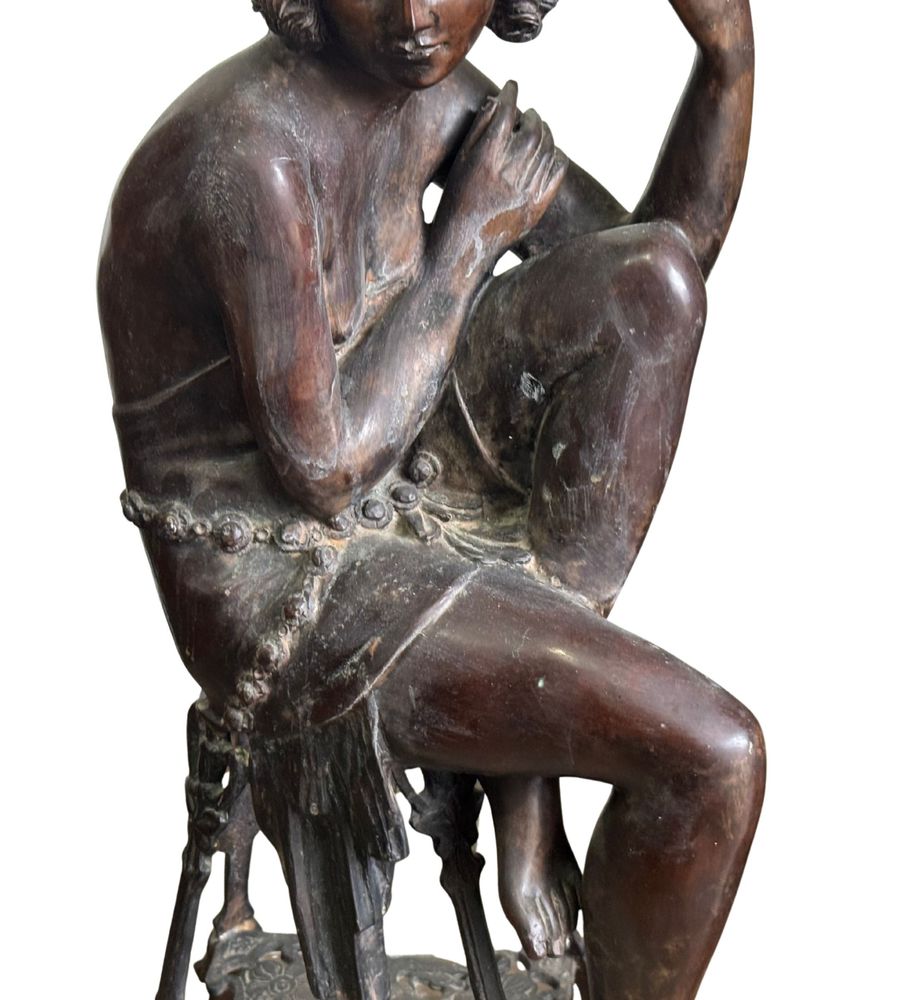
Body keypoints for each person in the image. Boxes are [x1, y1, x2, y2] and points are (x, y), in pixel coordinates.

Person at [98, 1, 765, 998]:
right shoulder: (247, 160)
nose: (417, 14)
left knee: (651, 289)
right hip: (280, 570)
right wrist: (465, 240)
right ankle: (530, 767)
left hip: (407, 458)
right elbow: (323, 470)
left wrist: (723, 62)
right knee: (714, 758)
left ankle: (525, 775)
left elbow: (653, 263)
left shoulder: (429, 91)